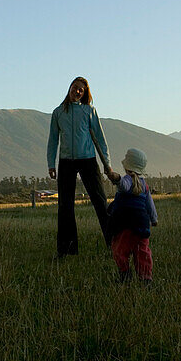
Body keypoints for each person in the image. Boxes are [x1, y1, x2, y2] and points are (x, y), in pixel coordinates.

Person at [47, 76, 119, 257]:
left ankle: (114, 244)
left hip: (88, 160)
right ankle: (67, 250)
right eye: (75, 87)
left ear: (85, 93)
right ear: (69, 87)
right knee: (65, 206)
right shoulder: (58, 113)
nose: (77, 91)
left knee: (100, 202)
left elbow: (101, 139)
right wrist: (51, 163)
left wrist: (107, 164)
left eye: (81, 90)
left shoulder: (89, 111)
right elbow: (53, 140)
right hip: (65, 162)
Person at [106, 147, 158, 283]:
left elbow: (123, 185)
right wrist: (154, 219)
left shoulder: (127, 180)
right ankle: (145, 278)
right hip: (142, 224)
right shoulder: (144, 185)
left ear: (127, 166)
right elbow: (150, 205)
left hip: (125, 224)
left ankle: (125, 275)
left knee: (120, 250)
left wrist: (115, 177)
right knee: (142, 252)